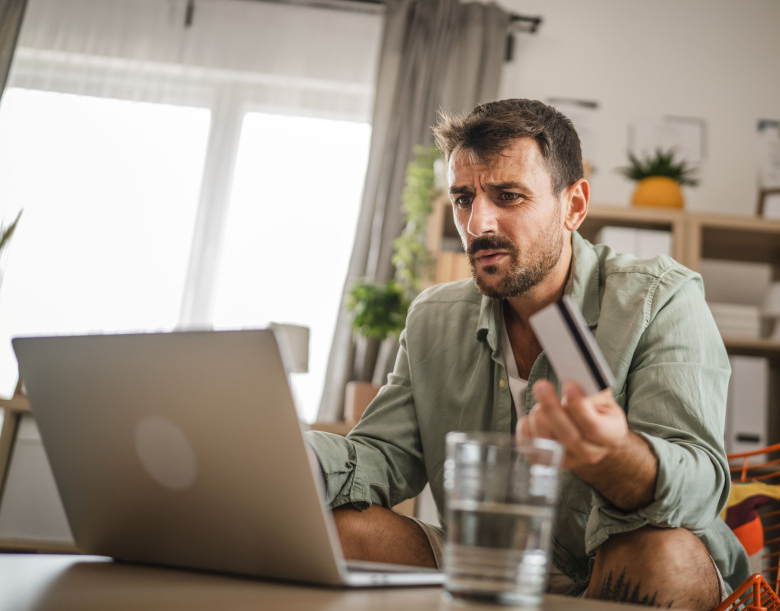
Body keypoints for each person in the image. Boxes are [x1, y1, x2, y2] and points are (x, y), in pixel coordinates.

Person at [304, 98, 749, 609]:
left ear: (574, 206)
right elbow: (383, 457)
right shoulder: (434, 316)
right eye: (464, 199)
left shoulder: (659, 299)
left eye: (508, 196)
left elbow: (699, 486)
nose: (478, 224)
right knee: (340, 530)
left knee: (666, 559)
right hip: (486, 560)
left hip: (612, 559)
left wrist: (616, 457)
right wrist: (301, 457)